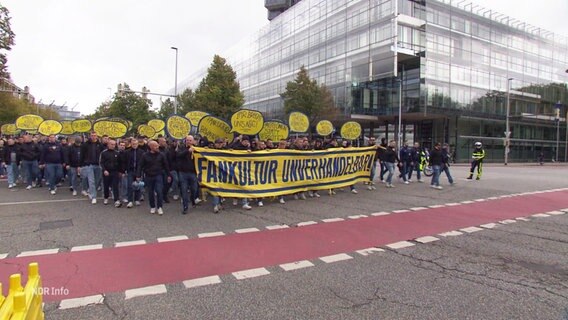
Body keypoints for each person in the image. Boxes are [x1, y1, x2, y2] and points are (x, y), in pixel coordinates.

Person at [137, 140, 171, 215]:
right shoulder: (145, 155)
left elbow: (166, 165)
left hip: (158, 175)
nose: (157, 147)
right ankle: (152, 206)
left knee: (159, 191)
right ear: (151, 147)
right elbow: (140, 165)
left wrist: (168, 175)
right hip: (149, 176)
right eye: (155, 146)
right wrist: (138, 175)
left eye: (157, 145)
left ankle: (159, 207)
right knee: (150, 192)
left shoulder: (161, 155)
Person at [176, 135, 199, 215]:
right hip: (183, 172)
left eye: (190, 140)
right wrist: (187, 151)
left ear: (193, 141)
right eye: (187, 140)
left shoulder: (196, 148)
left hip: (193, 172)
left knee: (194, 189)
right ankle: (185, 207)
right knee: (184, 190)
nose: (189, 142)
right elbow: (178, 155)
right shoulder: (181, 148)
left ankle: (192, 200)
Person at [80, 131, 104, 204]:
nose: (93, 137)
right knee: (91, 181)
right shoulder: (85, 144)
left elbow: (103, 154)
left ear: (97, 136)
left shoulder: (100, 145)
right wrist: (82, 164)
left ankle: (91, 191)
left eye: (95, 135)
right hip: (89, 165)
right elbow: (82, 154)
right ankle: (94, 197)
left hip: (98, 165)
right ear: (90, 136)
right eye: (92, 135)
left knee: (97, 181)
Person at [99, 139, 123, 207]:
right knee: (106, 185)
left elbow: (120, 163)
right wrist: (104, 170)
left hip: (115, 172)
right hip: (106, 172)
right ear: (108, 145)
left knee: (115, 186)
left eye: (114, 144)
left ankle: (116, 199)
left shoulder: (117, 153)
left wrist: (120, 171)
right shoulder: (103, 153)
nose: (113, 146)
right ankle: (106, 197)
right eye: (111, 144)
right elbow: (101, 163)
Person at [123, 138, 144, 208]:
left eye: (135, 144)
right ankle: (130, 201)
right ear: (131, 144)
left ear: (138, 144)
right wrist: (125, 170)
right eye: (133, 144)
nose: (134, 145)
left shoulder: (142, 152)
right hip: (130, 171)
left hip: (139, 171)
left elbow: (143, 163)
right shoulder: (127, 152)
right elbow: (124, 162)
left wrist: (141, 171)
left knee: (138, 185)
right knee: (130, 185)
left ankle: (137, 199)